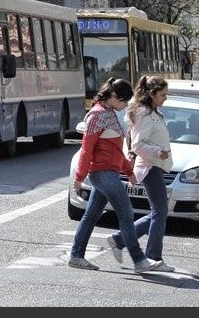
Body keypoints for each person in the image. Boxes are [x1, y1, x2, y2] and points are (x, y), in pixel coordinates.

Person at [68, 77, 162, 274]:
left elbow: (116, 151)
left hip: (107, 172)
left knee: (92, 215)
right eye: (123, 101)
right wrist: (79, 177)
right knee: (126, 213)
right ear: (112, 96)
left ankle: (76, 255)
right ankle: (139, 260)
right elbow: (86, 149)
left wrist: (129, 172)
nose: (125, 105)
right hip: (102, 173)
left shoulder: (109, 113)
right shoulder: (97, 115)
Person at [107, 75, 175, 272]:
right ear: (152, 94)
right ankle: (153, 257)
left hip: (154, 165)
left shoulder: (151, 112)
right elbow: (137, 145)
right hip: (149, 166)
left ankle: (119, 239)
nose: (165, 98)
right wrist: (158, 152)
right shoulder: (145, 114)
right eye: (162, 95)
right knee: (160, 212)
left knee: (158, 212)